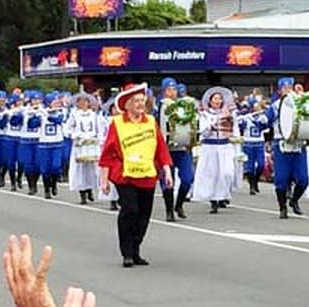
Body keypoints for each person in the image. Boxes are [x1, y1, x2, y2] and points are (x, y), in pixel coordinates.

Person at [98, 83, 173, 267]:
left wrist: (167, 171)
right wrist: (104, 179)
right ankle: (127, 252)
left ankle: (136, 248)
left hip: (147, 174)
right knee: (130, 210)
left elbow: (161, 148)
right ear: (128, 104)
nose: (140, 104)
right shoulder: (117, 123)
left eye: (142, 100)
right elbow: (108, 152)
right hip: (124, 175)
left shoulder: (150, 121)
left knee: (144, 215)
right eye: (137, 101)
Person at [265, 76, 308, 218]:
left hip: (298, 144)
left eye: (290, 87)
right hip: (281, 144)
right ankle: (282, 206)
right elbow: (266, 121)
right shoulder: (275, 106)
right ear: (279, 90)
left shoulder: (302, 103)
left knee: (303, 179)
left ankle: (294, 200)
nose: (288, 90)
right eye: (285, 88)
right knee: (281, 180)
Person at [156, 77, 196, 221]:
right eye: (168, 89)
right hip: (166, 149)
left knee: (187, 179)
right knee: (167, 180)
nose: (171, 93)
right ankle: (169, 210)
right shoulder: (159, 106)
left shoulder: (184, 105)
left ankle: (178, 204)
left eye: (173, 89)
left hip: (182, 148)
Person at [194, 87, 238, 214]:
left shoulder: (228, 114)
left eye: (219, 98)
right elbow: (203, 132)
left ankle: (222, 194)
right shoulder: (205, 115)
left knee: (226, 173)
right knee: (212, 173)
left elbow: (234, 129)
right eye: (215, 99)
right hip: (210, 147)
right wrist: (212, 125)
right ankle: (214, 200)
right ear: (210, 101)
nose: (218, 101)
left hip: (225, 146)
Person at [66, 93, 102, 205]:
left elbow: (99, 130)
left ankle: (90, 189)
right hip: (80, 145)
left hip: (92, 145)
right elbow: (67, 129)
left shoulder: (94, 115)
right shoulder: (74, 115)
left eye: (85, 101)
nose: (83, 104)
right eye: (80, 102)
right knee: (80, 169)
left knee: (92, 169)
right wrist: (75, 136)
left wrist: (97, 139)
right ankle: (82, 193)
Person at [38, 93, 65, 199]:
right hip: (44, 144)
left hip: (57, 143)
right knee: (45, 169)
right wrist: (34, 116)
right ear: (49, 103)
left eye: (57, 102)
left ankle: (53, 184)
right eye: (54, 102)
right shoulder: (41, 112)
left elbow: (58, 120)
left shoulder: (61, 111)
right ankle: (46, 189)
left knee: (56, 166)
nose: (57, 103)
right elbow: (32, 124)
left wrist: (48, 115)